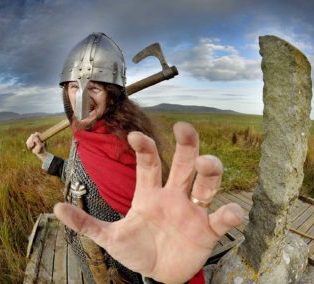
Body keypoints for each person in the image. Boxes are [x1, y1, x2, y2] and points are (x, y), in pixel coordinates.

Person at [26, 32, 243, 284]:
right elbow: (79, 181)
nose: (82, 97)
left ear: (112, 95)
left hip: (119, 274)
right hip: (89, 258)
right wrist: (43, 155)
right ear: (65, 91)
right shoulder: (83, 132)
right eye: (75, 86)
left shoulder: (123, 148)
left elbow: (162, 238)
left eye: (94, 87)